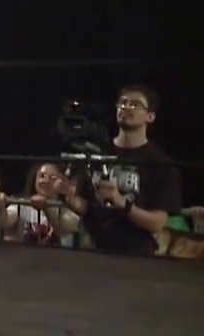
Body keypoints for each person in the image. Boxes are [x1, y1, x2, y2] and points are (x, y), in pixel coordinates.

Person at [58, 84, 182, 256]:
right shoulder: (97, 152)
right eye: (123, 103)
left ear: (150, 116)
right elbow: (88, 208)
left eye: (135, 104)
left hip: (135, 255)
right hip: (92, 252)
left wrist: (123, 204)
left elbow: (157, 223)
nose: (126, 107)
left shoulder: (160, 163)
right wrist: (68, 197)